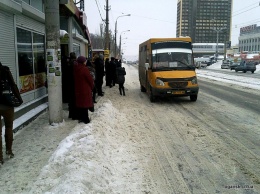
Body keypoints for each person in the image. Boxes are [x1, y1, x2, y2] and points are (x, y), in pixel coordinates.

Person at [0, 62, 23, 164]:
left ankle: (0, 158)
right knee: (9, 127)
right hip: (7, 104)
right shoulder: (5, 70)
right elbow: (12, 85)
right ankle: (9, 151)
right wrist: (18, 97)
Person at [74, 56, 94, 124]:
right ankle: (86, 119)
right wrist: (92, 86)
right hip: (85, 89)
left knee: (80, 104)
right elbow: (90, 79)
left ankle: (81, 118)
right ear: (83, 62)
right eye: (85, 61)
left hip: (78, 88)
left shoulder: (75, 68)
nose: (86, 62)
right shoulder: (84, 69)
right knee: (85, 105)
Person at [67, 52, 78, 120]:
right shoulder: (75, 64)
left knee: (70, 99)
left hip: (68, 83)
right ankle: (74, 115)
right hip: (74, 83)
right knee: (74, 99)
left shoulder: (68, 63)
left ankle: (71, 114)